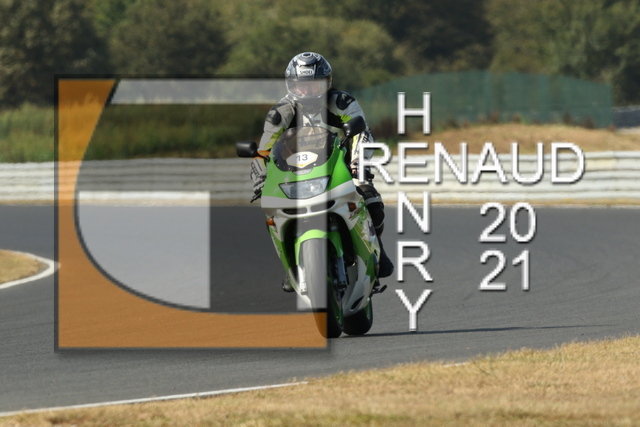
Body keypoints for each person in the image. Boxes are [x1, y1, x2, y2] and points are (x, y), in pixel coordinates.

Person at [250, 52, 394, 291]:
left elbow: (362, 133)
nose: (307, 91)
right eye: (301, 86)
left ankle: (378, 248)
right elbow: (264, 150)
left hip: (340, 165)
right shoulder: (280, 113)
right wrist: (260, 176)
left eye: (314, 85)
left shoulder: (342, 102)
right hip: (294, 172)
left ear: (327, 82)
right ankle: (292, 264)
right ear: (290, 85)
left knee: (370, 198)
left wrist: (358, 164)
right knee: (273, 212)